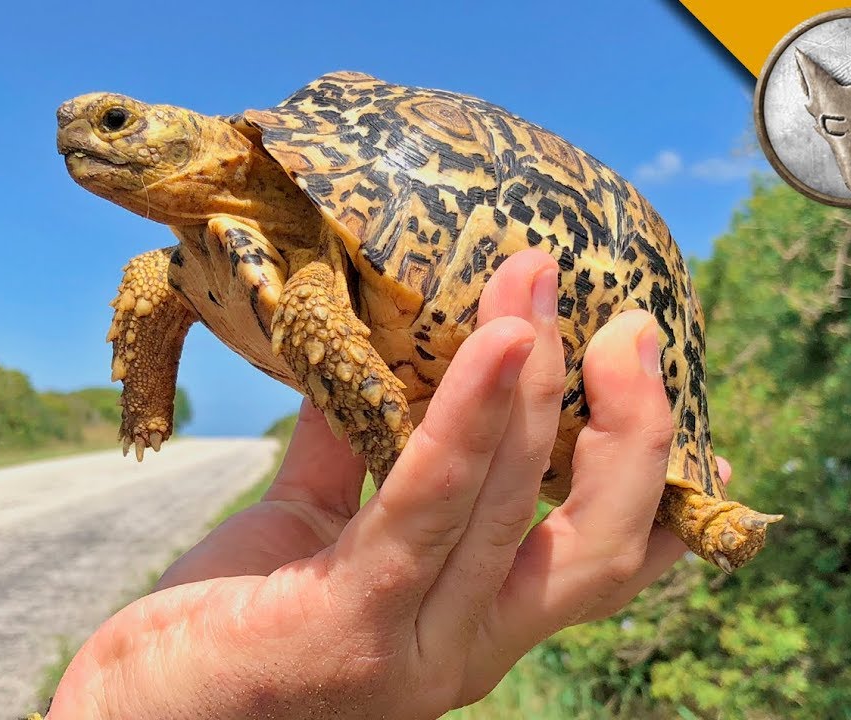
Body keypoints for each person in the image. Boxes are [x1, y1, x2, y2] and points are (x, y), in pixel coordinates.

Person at [42, 249, 731, 719]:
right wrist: (121, 700)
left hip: (560, 342)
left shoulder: (311, 274)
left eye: (115, 122)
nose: (80, 133)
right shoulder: (184, 261)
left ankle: (704, 507)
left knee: (693, 511)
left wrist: (112, 701)